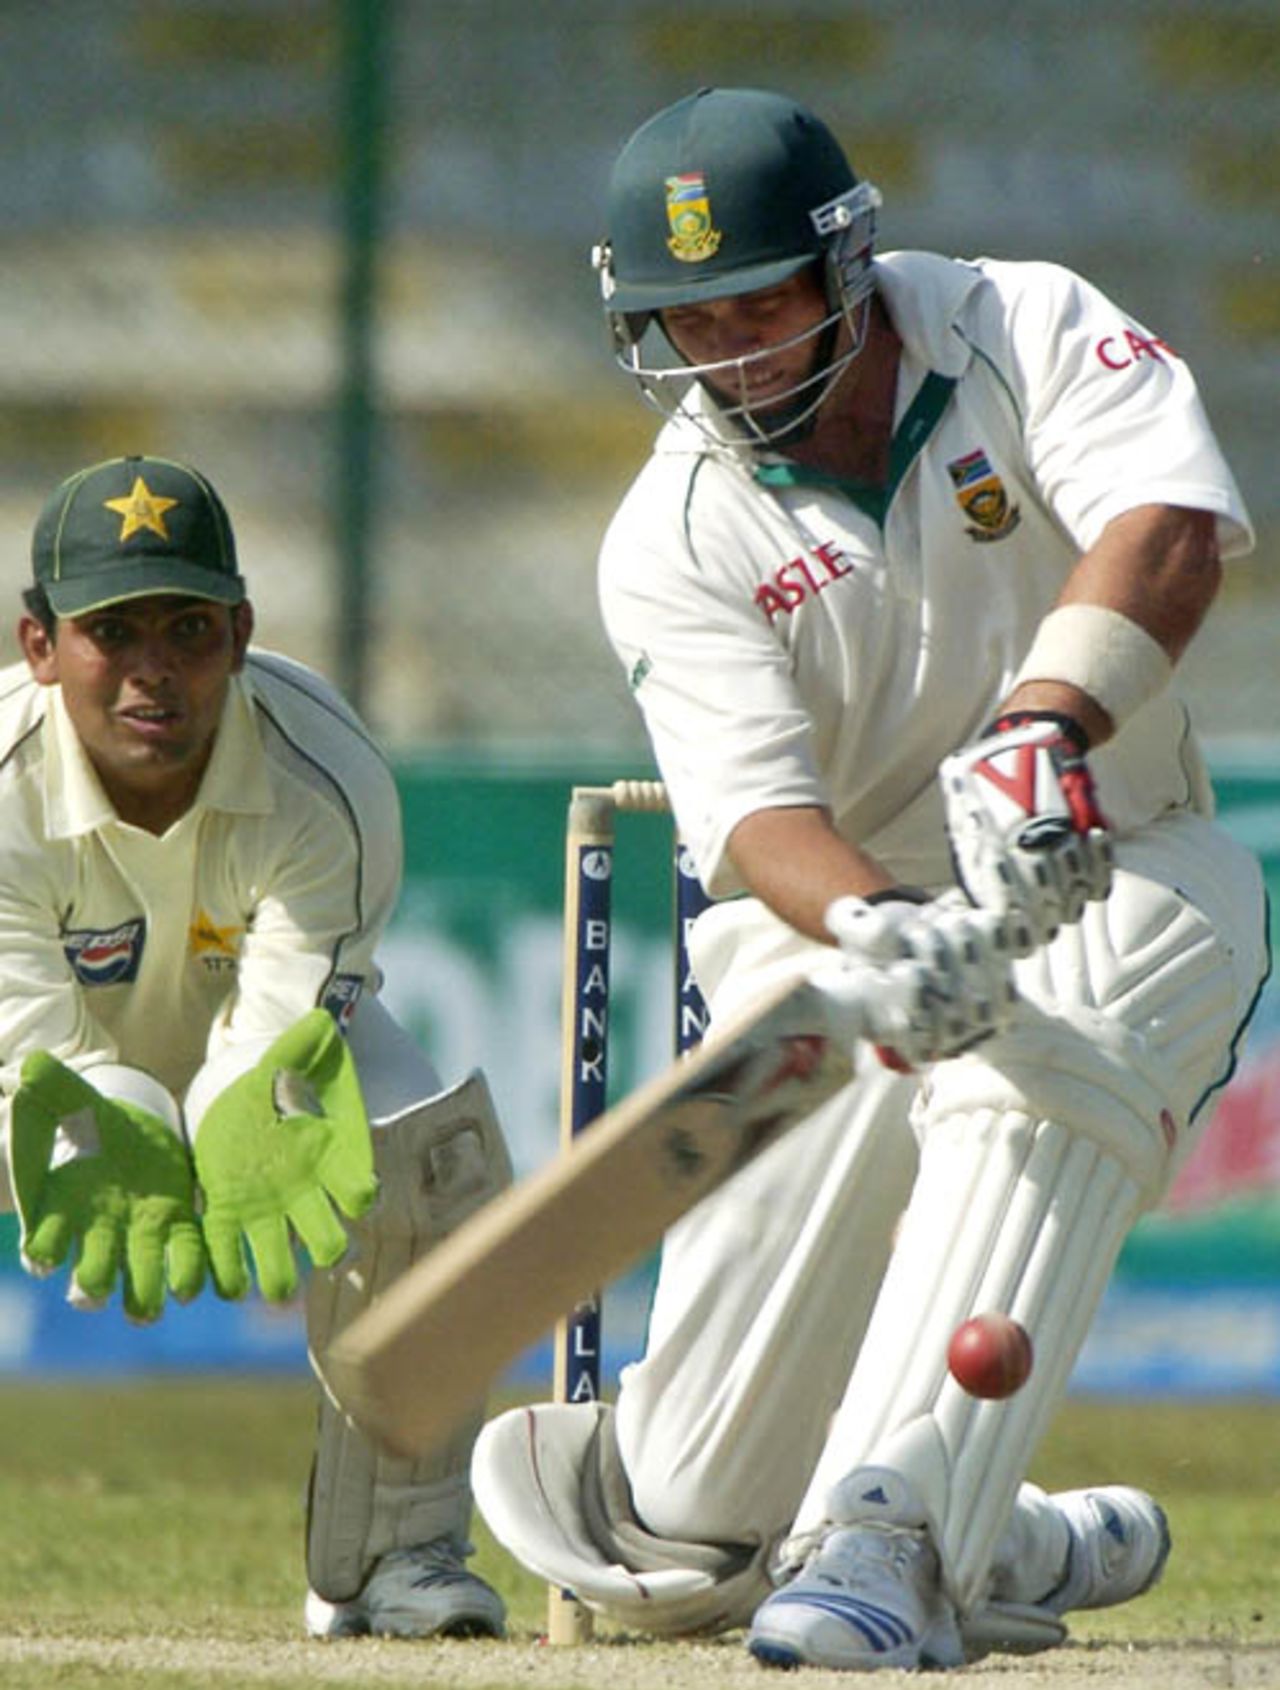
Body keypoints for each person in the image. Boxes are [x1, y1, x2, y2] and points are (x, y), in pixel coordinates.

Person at [471, 88, 1270, 1671]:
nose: (734, 355)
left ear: (847, 269)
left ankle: (892, 1534)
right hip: (839, 919)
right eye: (686, 324)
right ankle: (1023, 1533)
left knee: (1066, 1020)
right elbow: (757, 817)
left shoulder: (1023, 326)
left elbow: (1167, 529)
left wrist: (1044, 733)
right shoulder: (673, 528)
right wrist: (881, 925)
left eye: (761, 304)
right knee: (686, 1527)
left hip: (1116, 848)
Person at [0, 454, 514, 1642]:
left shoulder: (326, 777)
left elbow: (281, 1037)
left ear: (239, 632)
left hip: (256, 1052)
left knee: (425, 1159)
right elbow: (35, 1047)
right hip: (52, 1075)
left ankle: (406, 1552)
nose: (152, 669)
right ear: (39, 645)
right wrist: (117, 1117)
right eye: (110, 631)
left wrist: (233, 1127)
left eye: (186, 627)